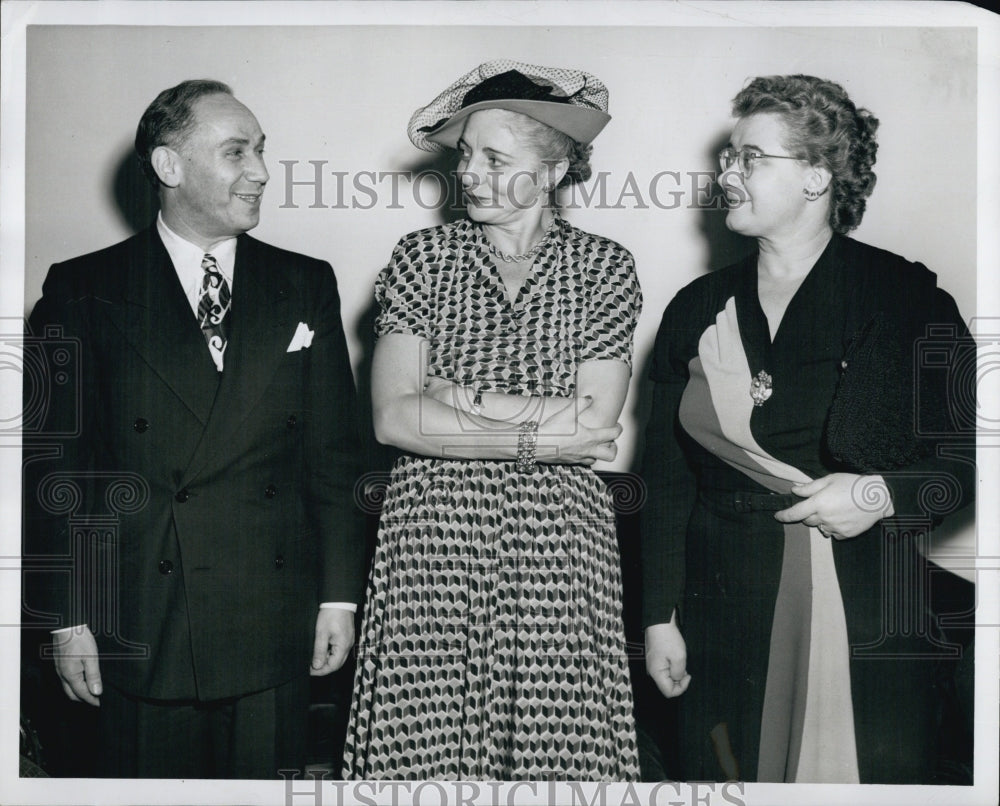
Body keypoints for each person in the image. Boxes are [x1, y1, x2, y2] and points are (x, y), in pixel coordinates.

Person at [22, 79, 365, 778]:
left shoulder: (305, 284)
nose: (262, 171)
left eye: (262, 151)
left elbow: (334, 456)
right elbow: (54, 472)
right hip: (141, 618)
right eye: (237, 152)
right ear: (168, 167)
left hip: (271, 619)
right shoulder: (82, 289)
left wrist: (338, 595)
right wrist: (66, 619)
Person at [640, 74, 975, 784]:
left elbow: (959, 468)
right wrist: (658, 615)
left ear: (818, 177)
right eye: (728, 157)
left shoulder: (905, 297)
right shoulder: (694, 306)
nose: (726, 175)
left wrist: (878, 494)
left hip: (866, 608)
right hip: (718, 609)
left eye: (751, 159)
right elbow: (663, 481)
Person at [342, 59, 641, 780]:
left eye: (495, 157)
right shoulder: (421, 258)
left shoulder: (605, 267)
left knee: (559, 759)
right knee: (422, 758)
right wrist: (540, 431)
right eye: (465, 154)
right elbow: (393, 417)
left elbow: (597, 423)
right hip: (432, 539)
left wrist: (457, 399)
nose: (469, 172)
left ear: (551, 170)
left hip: (558, 547)